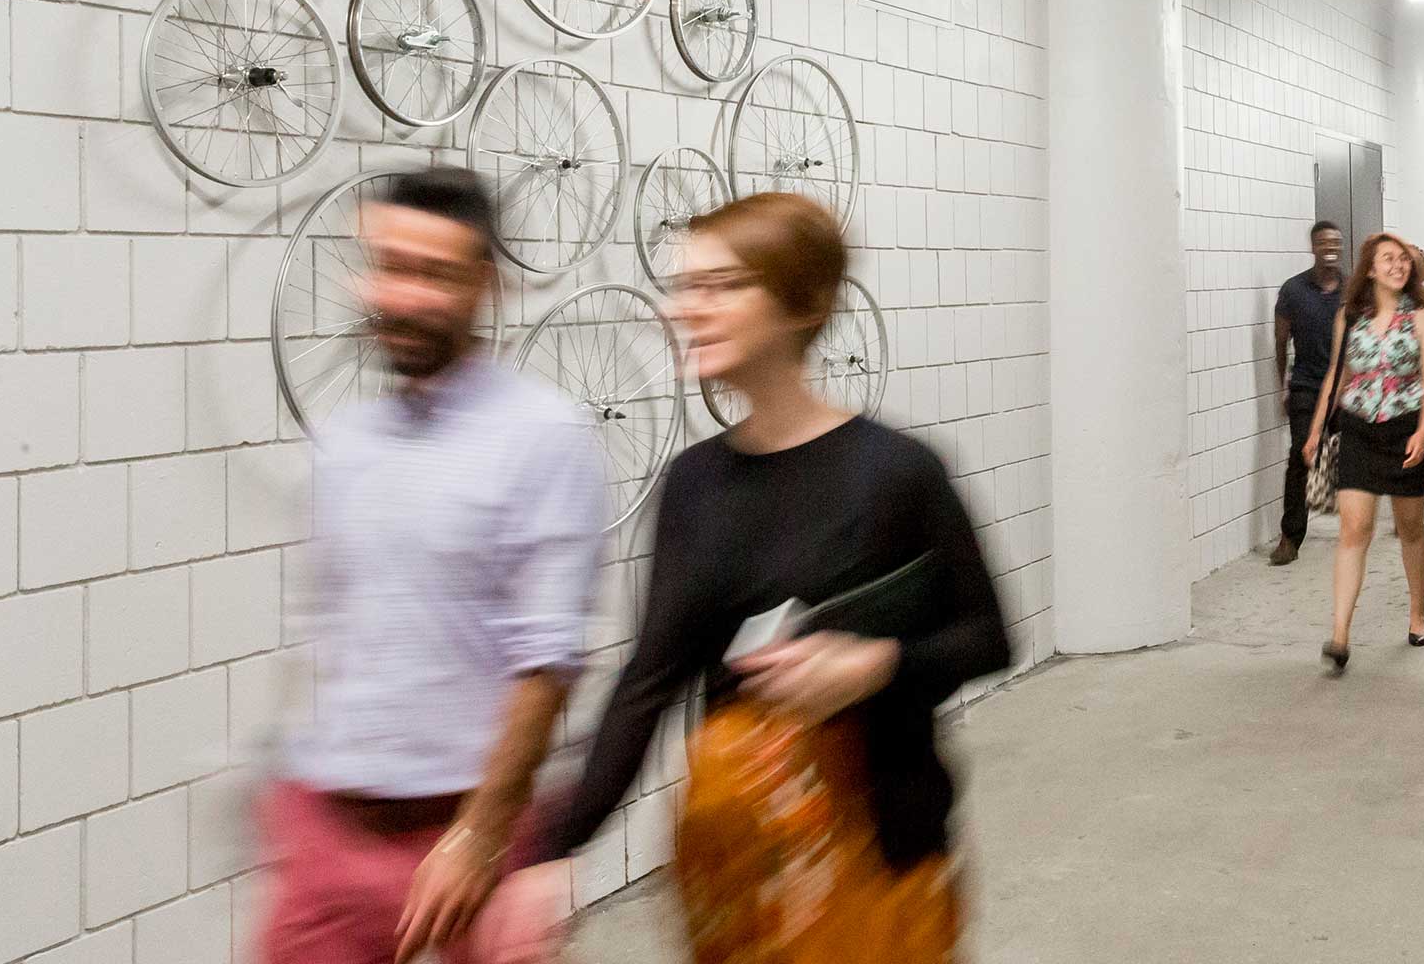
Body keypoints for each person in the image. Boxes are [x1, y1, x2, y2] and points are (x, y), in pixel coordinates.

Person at [493, 192, 1011, 963]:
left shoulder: (901, 473)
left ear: (801, 303)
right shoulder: (694, 484)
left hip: (881, 861)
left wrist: (876, 667)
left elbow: (987, 638)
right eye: (684, 287)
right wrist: (551, 851)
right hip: (744, 874)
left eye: (722, 285)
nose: (687, 309)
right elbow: (649, 680)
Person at [260, 166, 607, 964]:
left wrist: (482, 838)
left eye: (434, 274)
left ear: (486, 282)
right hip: (334, 824)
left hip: (471, 826)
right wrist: (290, 782)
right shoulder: (346, 442)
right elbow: (334, 629)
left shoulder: (542, 436)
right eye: (389, 267)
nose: (403, 296)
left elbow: (547, 661)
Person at [1302, 232, 1424, 672]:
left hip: (1403, 430)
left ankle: (1417, 609)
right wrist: (1314, 431)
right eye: (1388, 259)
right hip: (1358, 429)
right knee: (1354, 529)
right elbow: (1337, 374)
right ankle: (1341, 633)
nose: (1397, 265)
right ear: (1370, 268)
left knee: (1410, 528)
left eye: (1403, 259)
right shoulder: (1350, 315)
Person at [1270, 221, 1346, 565]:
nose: (1330, 247)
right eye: (1323, 242)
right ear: (1313, 247)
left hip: (1348, 389)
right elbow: (1280, 341)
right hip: (1306, 386)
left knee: (1351, 459)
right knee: (1300, 457)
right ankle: (1290, 537)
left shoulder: (1354, 290)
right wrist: (1283, 384)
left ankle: (1354, 529)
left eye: (1335, 242)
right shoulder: (1293, 290)